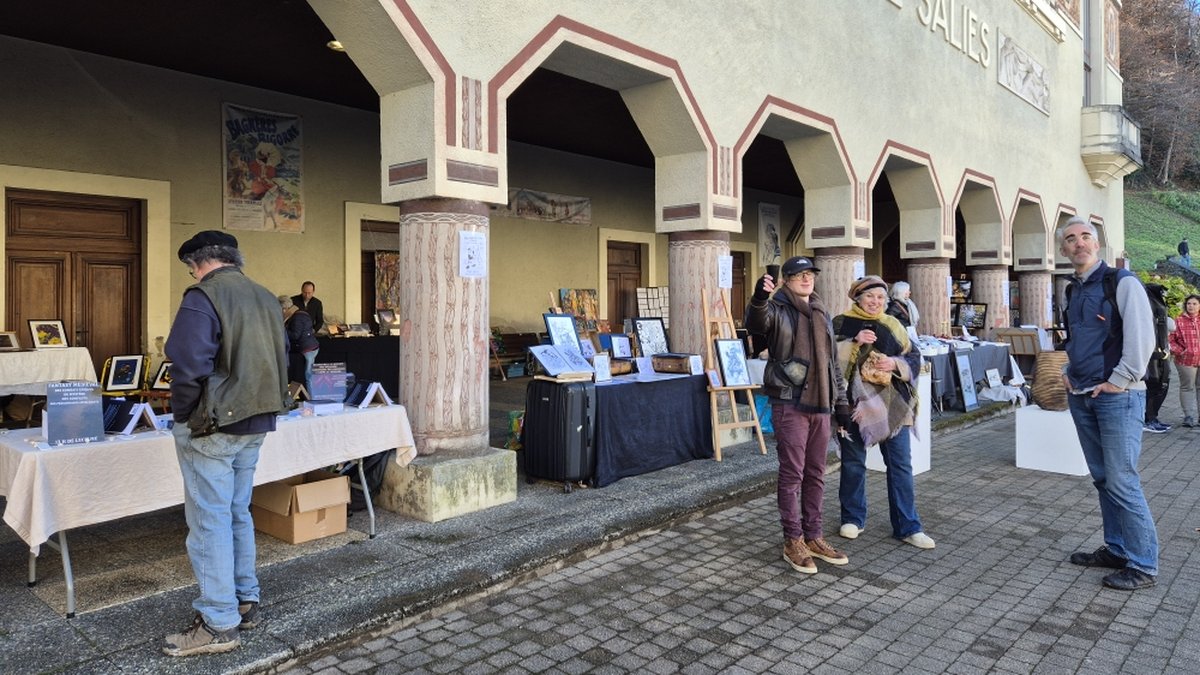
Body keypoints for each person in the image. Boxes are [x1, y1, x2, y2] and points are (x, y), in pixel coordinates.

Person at [163, 230, 290, 656]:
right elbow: (281, 356)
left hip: (212, 425)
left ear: (198, 263)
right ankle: (244, 601)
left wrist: (184, 415)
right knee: (236, 512)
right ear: (234, 259)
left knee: (208, 521)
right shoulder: (266, 296)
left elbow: (186, 362)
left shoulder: (203, 296)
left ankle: (218, 621)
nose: (192, 273)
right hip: (257, 421)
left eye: (191, 267)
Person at [1058, 216, 1158, 591]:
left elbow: (1140, 340)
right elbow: (1079, 338)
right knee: (1103, 479)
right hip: (1083, 394)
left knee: (1122, 479)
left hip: (1119, 397)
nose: (1079, 243)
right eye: (1071, 239)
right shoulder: (1073, 290)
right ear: (1064, 249)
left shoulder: (1123, 283)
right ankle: (1116, 549)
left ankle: (1144, 564)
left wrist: (1119, 380)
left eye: (1086, 237)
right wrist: (1069, 368)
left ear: (1098, 244)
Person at [745, 256, 851, 574]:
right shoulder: (777, 309)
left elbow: (832, 362)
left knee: (816, 473)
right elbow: (757, 323)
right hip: (789, 402)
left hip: (820, 404)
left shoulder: (821, 311)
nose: (806, 279)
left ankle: (814, 535)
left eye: (810, 274)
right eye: (798, 275)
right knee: (792, 475)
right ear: (787, 280)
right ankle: (793, 540)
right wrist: (760, 297)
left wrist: (841, 403)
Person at [833, 275, 935, 550]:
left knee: (900, 465)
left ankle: (908, 526)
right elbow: (827, 358)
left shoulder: (894, 326)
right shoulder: (841, 323)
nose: (875, 302)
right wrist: (852, 342)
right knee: (853, 464)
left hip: (893, 406)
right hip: (853, 407)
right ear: (857, 298)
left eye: (880, 297)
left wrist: (896, 363)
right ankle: (853, 518)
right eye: (869, 297)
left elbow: (915, 358)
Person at [1142, 283, 1172, 433]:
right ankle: (1148, 419)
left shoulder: (1157, 302)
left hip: (1161, 349)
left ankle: (1152, 417)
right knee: (1154, 384)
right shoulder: (1148, 301)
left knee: (1162, 384)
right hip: (1154, 351)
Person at [1170, 294, 1200, 427]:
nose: (1191, 306)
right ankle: (1188, 416)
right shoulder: (1178, 321)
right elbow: (1170, 340)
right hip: (1185, 361)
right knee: (1187, 387)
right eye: (1189, 304)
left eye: (1194, 304)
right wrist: (1180, 351)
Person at [280, 295, 319, 394]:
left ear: (285, 308)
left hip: (308, 348)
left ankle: (311, 397)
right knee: (308, 374)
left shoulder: (297, 317)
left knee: (308, 374)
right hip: (310, 346)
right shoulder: (300, 313)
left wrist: (283, 330)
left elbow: (295, 335)